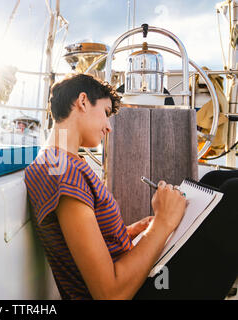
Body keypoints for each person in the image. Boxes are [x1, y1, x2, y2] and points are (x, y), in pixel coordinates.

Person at [24, 73, 238, 299]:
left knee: (214, 181)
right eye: (106, 113)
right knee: (234, 194)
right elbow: (110, 293)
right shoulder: (63, 173)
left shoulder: (58, 161)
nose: (109, 127)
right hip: (138, 290)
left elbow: (81, 239)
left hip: (137, 274)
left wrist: (130, 231)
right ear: (83, 101)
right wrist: (163, 223)